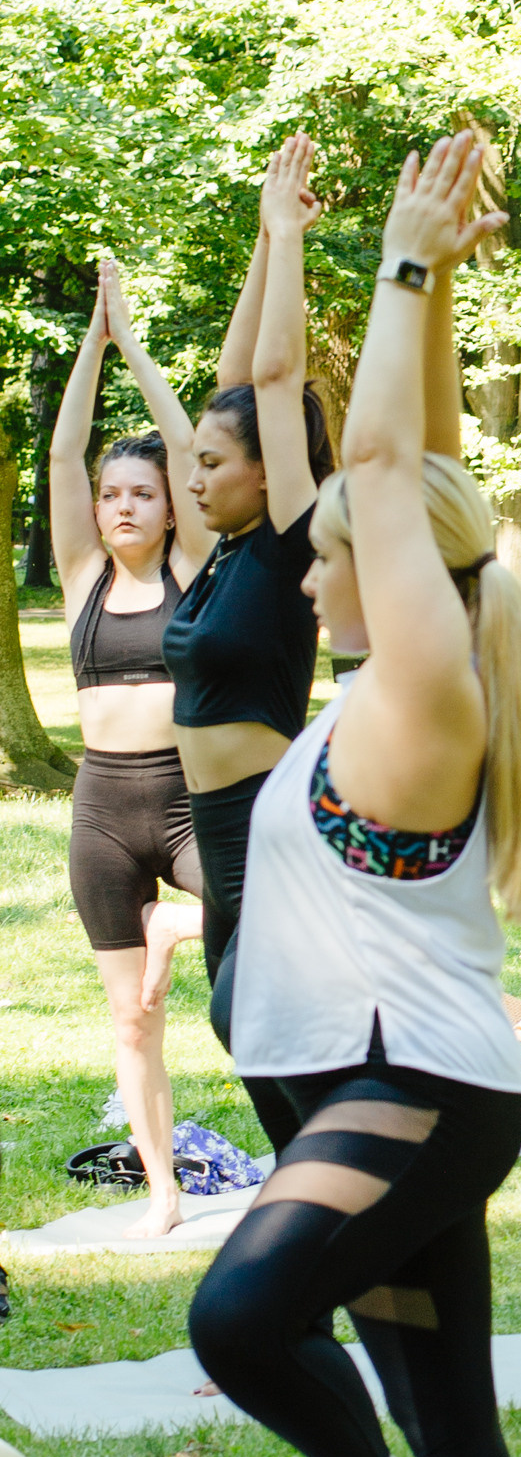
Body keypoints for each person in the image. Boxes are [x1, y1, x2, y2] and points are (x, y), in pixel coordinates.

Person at [188, 131, 521, 1457]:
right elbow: (432, 472)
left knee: (239, 1322)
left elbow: (394, 465)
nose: (317, 566)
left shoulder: (421, 698)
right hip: (355, 1077)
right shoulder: (399, 677)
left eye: (335, 550)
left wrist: (403, 260)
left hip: (405, 1090)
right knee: (453, 1423)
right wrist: (445, 292)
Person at [161, 134, 338, 1159]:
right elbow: (240, 378)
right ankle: (309, 1190)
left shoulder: (285, 543)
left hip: (272, 825)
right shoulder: (227, 547)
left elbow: (273, 373)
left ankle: (338, 1189)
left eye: (213, 462)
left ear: (268, 472)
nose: (193, 475)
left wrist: (289, 244)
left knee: (252, 1020)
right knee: (246, 1033)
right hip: (216, 830)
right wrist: (262, 249)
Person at [50, 258, 218, 1238]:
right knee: (132, 1019)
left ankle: (174, 927)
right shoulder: (78, 577)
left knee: (257, 904)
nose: (121, 505)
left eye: (141, 492)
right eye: (112, 493)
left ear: (167, 505)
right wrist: (93, 339)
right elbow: (64, 450)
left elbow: (190, 439)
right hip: (102, 813)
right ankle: (161, 1187)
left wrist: (137, 347)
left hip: (188, 799)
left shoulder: (192, 568)